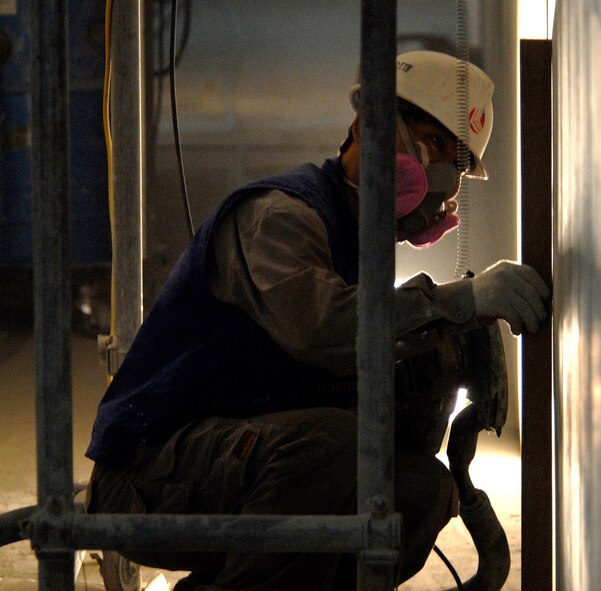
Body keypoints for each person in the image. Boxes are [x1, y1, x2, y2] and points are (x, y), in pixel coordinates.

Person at [85, 50, 550, 590]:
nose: (445, 181)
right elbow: (324, 329)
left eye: (460, 167)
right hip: (148, 473)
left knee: (419, 487)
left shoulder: (357, 243)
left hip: (234, 461)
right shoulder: (281, 217)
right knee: (333, 446)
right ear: (371, 129)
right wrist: (457, 300)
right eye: (435, 147)